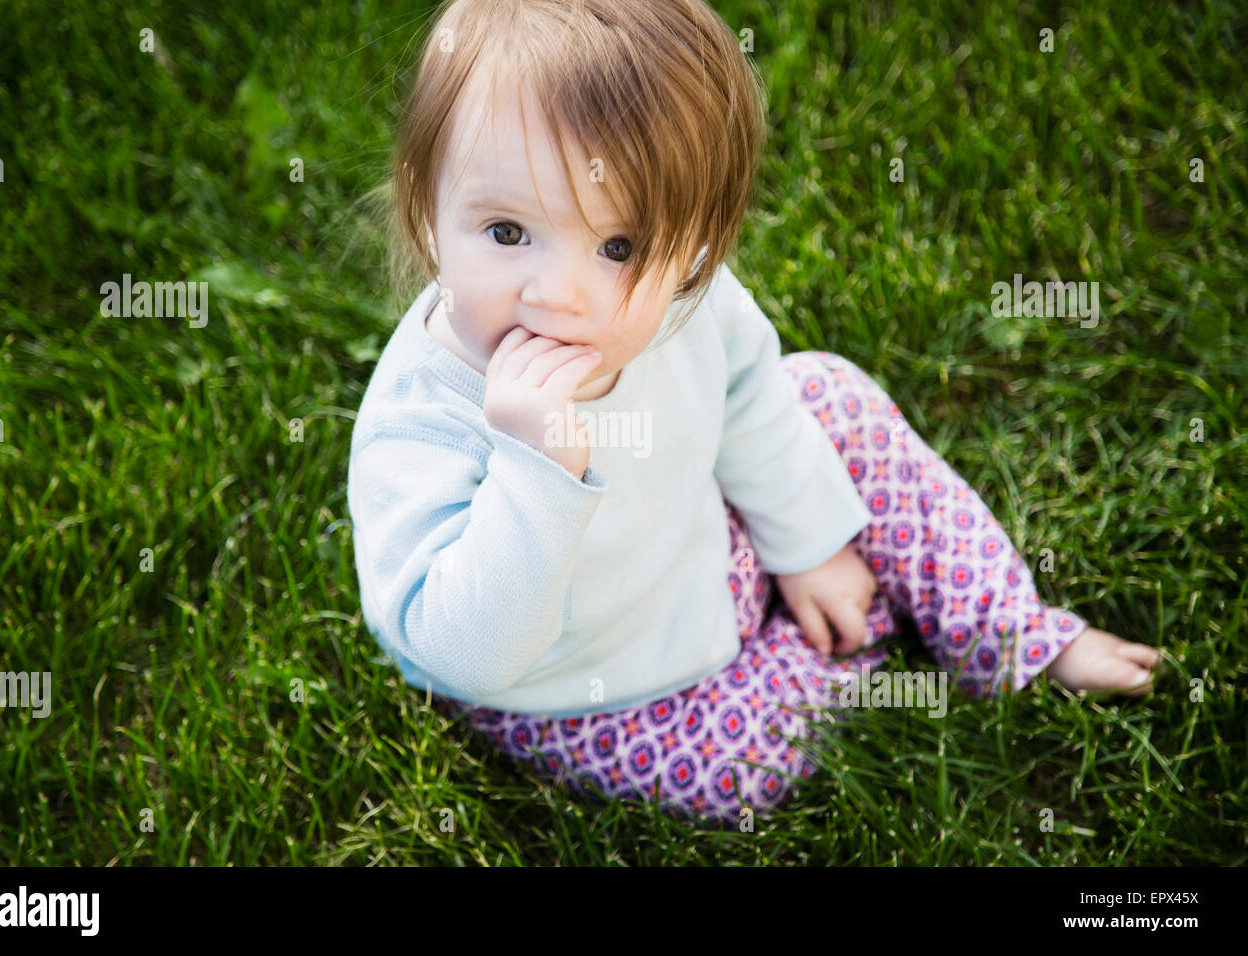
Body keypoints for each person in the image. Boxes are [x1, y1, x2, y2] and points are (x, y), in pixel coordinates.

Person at [347, 0, 1163, 826]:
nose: (557, 294)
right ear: (426, 210)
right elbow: (467, 654)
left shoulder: (683, 307)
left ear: (696, 246)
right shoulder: (421, 421)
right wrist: (534, 468)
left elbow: (749, 402)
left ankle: (1011, 629)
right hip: (586, 688)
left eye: (619, 247)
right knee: (741, 771)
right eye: (506, 230)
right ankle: (862, 625)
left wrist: (806, 538)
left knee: (829, 397)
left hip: (704, 552)